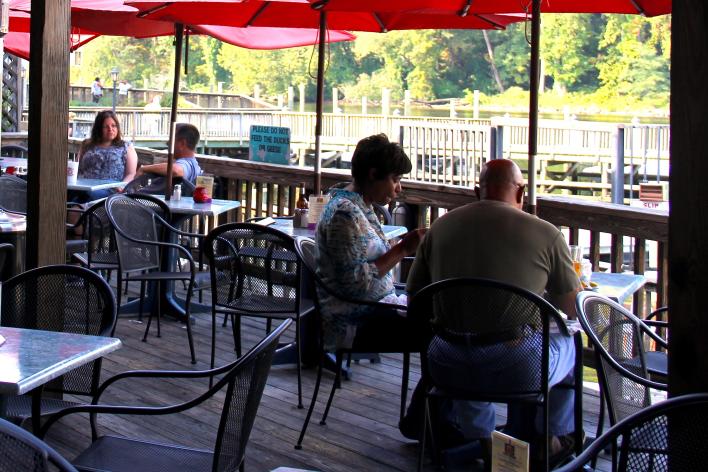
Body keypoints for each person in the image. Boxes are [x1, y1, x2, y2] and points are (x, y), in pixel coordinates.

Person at [403, 159, 581, 464]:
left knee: (468, 340)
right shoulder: (545, 233)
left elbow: (415, 296)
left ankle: (484, 441)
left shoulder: (441, 227)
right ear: (521, 191)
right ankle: (553, 438)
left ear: (477, 191)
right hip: (520, 370)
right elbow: (571, 307)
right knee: (569, 342)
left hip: (446, 364)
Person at [316, 133, 426, 353]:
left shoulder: (361, 206)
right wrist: (403, 248)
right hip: (354, 322)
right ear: (374, 174)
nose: (399, 188)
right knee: (437, 327)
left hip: (378, 308)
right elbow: (356, 284)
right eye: (395, 179)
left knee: (439, 315)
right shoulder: (343, 214)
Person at [73, 110, 138, 202]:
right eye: (105, 126)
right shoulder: (87, 144)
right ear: (98, 128)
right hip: (83, 187)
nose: (110, 129)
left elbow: (131, 174)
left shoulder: (126, 147)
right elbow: (76, 167)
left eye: (113, 126)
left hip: (110, 190)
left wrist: (122, 186)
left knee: (84, 199)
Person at [135, 123, 202, 185]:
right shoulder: (193, 165)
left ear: (182, 144)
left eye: (171, 140)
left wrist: (144, 169)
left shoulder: (187, 164)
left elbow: (176, 170)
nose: (167, 143)